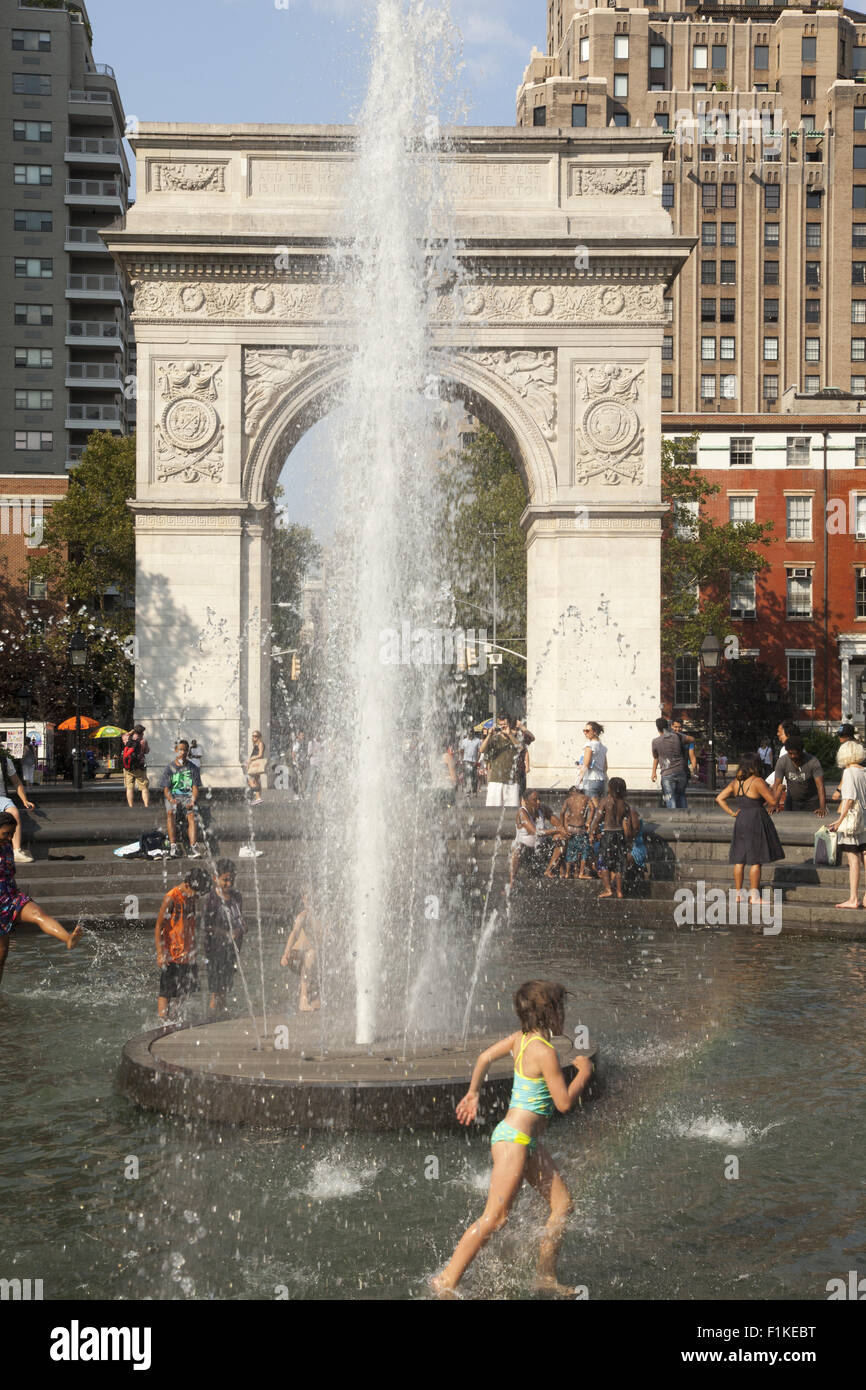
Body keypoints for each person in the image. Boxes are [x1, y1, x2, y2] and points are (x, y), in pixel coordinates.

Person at [431, 980, 593, 1297]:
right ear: (551, 1013)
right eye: (563, 1009)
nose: (566, 1017)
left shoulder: (520, 1040)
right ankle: (446, 1281)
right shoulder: (544, 1052)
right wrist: (584, 1072)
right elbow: (562, 1103)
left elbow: (483, 1058)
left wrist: (474, 1092)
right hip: (514, 1140)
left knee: (563, 1205)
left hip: (521, 1140)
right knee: (495, 1217)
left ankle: (545, 1276)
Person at [0, 812, 83, 985]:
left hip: (11, 895)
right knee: (2, 954)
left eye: (12, 834)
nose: (9, 838)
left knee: (38, 913)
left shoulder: (7, 846)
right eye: (6, 834)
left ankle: (68, 939)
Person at [716, 752, 785, 903]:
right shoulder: (757, 781)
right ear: (755, 765)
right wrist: (779, 789)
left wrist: (732, 813)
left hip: (741, 820)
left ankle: (738, 894)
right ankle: (754, 896)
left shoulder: (736, 782)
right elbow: (773, 802)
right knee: (755, 860)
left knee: (739, 859)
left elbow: (719, 798)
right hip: (755, 820)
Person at [155, 866, 209, 1020]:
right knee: (166, 991)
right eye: (196, 892)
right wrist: (160, 954)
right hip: (172, 954)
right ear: (187, 884)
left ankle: (177, 1017)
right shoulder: (171, 897)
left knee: (186, 990)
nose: (197, 896)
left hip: (188, 953)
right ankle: (163, 1021)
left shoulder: (191, 897)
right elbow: (159, 926)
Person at [202, 859, 246, 1013]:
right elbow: (207, 926)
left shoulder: (237, 896)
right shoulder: (212, 900)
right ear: (215, 878)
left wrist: (241, 927)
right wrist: (226, 934)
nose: (229, 883)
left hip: (232, 950)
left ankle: (222, 1012)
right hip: (215, 950)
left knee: (226, 986)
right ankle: (214, 1015)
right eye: (225, 880)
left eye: (232, 879)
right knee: (216, 988)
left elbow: (238, 916)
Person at [827, 740, 866, 909]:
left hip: (852, 821)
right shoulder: (864, 771)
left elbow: (848, 799)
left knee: (853, 859)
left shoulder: (849, 772)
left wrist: (839, 820)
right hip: (864, 819)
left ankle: (853, 898)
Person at [589, 776, 640, 900]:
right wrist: (630, 839)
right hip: (620, 835)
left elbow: (597, 819)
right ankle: (619, 891)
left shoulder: (605, 802)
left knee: (604, 863)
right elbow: (629, 823)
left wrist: (592, 832)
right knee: (619, 864)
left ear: (610, 789)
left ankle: (608, 889)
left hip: (608, 834)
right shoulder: (625, 805)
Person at [160, 740, 203, 859]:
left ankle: (193, 846)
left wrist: (193, 800)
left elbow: (195, 787)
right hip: (173, 797)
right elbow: (166, 789)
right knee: (170, 812)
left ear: (188, 751)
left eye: (185, 750)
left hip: (188, 797)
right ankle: (173, 846)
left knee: (192, 816)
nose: (182, 752)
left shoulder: (193, 768)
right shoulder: (169, 768)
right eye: (180, 750)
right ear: (176, 751)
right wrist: (171, 799)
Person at [281, 888, 321, 1012]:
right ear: (303, 899)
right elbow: (294, 934)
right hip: (296, 956)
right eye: (308, 899)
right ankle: (303, 1000)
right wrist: (285, 953)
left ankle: (314, 999)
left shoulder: (322, 915)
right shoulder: (303, 916)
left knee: (315, 958)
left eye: (313, 899)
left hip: (311, 955)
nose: (311, 902)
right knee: (311, 955)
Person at [509, 790, 557, 887]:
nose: (538, 802)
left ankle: (554, 870)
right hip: (526, 850)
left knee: (560, 838)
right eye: (535, 800)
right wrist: (556, 831)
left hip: (541, 847)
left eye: (539, 799)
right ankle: (512, 881)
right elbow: (534, 832)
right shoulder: (522, 812)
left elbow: (558, 823)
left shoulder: (543, 809)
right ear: (526, 801)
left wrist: (562, 831)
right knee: (517, 848)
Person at [545, 786, 593, 880]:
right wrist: (589, 821)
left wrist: (563, 827)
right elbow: (592, 808)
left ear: (571, 793)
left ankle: (567, 873)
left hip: (571, 828)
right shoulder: (585, 798)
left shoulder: (568, 800)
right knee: (584, 849)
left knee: (571, 850)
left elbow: (562, 812)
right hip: (580, 828)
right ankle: (581, 873)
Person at [771, 736, 827, 817]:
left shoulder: (813, 762)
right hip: (792, 801)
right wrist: (774, 804)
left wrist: (822, 807)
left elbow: (820, 786)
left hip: (812, 802)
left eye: (795, 753)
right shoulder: (782, 761)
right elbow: (776, 784)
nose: (793, 756)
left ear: (801, 751)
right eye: (790, 753)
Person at [1, 749, 35, 863]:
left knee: (14, 813)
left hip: (1, 798)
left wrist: (25, 800)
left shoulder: (5, 762)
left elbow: (16, 782)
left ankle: (17, 851)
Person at [480, 714, 522, 809]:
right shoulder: (494, 739)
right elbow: (481, 750)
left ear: (510, 725)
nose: (503, 727)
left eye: (505, 724)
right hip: (496, 780)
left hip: (512, 781)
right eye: (500, 724)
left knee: (512, 811)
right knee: (492, 811)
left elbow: (520, 748)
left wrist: (510, 734)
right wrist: (489, 735)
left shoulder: (515, 738)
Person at [651, 717, 689, 810]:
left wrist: (653, 772)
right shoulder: (676, 736)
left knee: (670, 798)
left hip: (667, 773)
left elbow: (656, 757)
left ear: (657, 728)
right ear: (668, 726)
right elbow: (691, 740)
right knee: (681, 795)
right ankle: (685, 817)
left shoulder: (655, 742)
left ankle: (674, 821)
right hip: (680, 771)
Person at [575, 721, 607, 801]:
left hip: (590, 781)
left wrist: (578, 781)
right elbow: (605, 767)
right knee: (600, 809)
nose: (585, 733)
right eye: (584, 730)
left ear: (595, 732)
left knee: (592, 809)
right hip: (601, 782)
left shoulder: (589, 745)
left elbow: (585, 765)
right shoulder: (602, 747)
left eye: (587, 731)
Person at [122, 725, 150, 809]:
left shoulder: (127, 738)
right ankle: (146, 805)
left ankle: (130, 806)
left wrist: (131, 732)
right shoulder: (143, 741)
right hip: (139, 767)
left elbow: (125, 735)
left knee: (129, 787)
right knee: (144, 787)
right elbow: (146, 751)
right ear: (142, 733)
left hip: (128, 768)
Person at [831, 724, 856, 804]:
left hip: (852, 786)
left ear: (849, 736)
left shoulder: (851, 749)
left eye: (841, 735)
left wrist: (838, 790)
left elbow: (848, 771)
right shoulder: (855, 746)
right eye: (839, 735)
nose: (839, 737)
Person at [459, 727, 482, 796]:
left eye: (472, 731)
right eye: (469, 732)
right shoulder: (464, 741)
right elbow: (461, 751)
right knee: (467, 776)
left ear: (474, 732)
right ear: (467, 733)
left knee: (474, 776)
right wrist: (462, 759)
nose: (471, 733)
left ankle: (474, 791)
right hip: (466, 761)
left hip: (474, 761)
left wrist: (477, 761)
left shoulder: (477, 741)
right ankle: (467, 791)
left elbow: (479, 751)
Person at [246, 730, 266, 805]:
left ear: (259, 737)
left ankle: (258, 798)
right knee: (257, 781)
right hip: (255, 763)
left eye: (256, 736)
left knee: (251, 780)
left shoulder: (260, 743)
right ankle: (258, 798)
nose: (254, 738)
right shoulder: (256, 744)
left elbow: (260, 755)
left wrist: (251, 759)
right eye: (253, 736)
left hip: (256, 764)